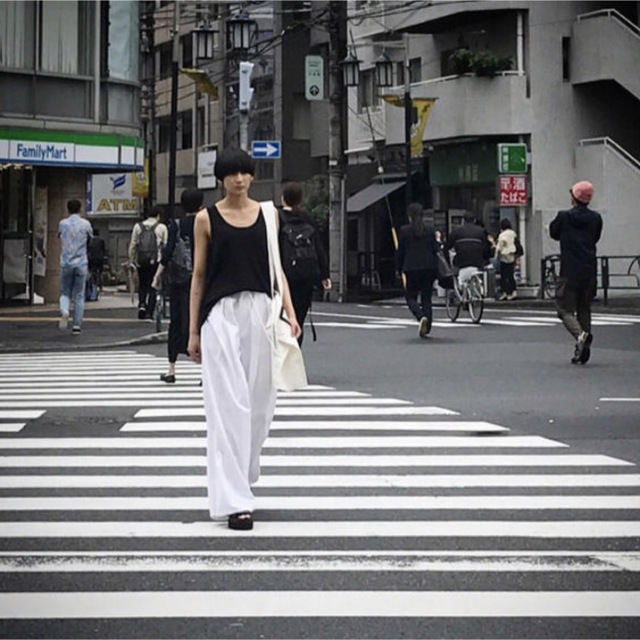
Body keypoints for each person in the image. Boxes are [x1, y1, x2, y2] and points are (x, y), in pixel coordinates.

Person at [187, 149, 301, 531]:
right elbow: (199, 275)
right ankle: (236, 502)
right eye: (232, 173)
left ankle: (244, 473)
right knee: (227, 407)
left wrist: (290, 311)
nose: (239, 179)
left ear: (252, 177)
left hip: (261, 312)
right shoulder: (206, 218)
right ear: (221, 178)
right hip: (220, 316)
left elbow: (277, 267)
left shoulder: (269, 215)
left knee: (259, 405)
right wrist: (192, 330)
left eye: (245, 173)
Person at [549, 180, 603, 365]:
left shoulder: (564, 217)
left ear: (574, 197)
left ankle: (581, 336)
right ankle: (583, 348)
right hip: (589, 269)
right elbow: (595, 237)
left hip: (569, 270)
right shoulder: (596, 218)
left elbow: (553, 233)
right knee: (584, 308)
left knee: (563, 309)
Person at [152, 191, 202, 383]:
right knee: (201, 323)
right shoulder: (204, 222)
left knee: (176, 322)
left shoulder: (177, 225)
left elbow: (168, 252)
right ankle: (204, 372)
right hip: (201, 280)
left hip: (179, 280)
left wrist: (157, 276)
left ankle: (171, 370)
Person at [278, 181, 331, 345]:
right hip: (307, 276)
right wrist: (325, 274)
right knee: (299, 319)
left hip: (285, 276)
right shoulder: (307, 218)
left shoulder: (278, 217)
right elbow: (318, 247)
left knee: (282, 319)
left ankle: (284, 356)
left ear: (283, 198)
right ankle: (296, 352)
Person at [396, 203, 440, 338]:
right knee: (427, 297)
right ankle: (427, 327)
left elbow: (400, 252)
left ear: (410, 216)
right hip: (429, 267)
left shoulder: (404, 230)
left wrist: (398, 268)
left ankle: (421, 317)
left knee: (410, 296)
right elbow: (436, 250)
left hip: (412, 268)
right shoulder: (430, 230)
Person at [58, 199, 93, 334]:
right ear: (80, 209)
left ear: (68, 209)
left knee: (65, 292)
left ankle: (65, 310)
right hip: (81, 262)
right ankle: (77, 326)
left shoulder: (63, 224)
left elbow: (59, 236)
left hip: (66, 262)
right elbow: (90, 240)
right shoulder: (86, 224)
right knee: (79, 295)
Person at [129, 206, 168, 320]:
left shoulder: (138, 226)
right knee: (153, 285)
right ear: (158, 216)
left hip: (141, 260)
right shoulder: (161, 227)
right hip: (156, 261)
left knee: (142, 283)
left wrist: (131, 260)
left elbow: (133, 244)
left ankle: (142, 305)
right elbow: (165, 245)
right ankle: (150, 311)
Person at [444, 211, 493, 287]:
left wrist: (448, 264)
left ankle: (456, 290)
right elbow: (487, 249)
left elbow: (446, 248)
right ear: (474, 220)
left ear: (463, 220)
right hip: (477, 263)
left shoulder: (456, 232)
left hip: (460, 262)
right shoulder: (482, 232)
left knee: (454, 276)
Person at [496, 218, 518, 300]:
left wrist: (496, 251)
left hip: (504, 256)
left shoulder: (502, 235)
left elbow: (500, 246)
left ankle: (504, 292)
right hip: (512, 255)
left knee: (504, 275)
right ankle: (513, 292)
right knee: (510, 275)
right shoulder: (513, 233)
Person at [86, 229, 107, 301]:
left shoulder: (90, 241)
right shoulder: (101, 241)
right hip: (99, 259)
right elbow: (103, 250)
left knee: (91, 273)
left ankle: (91, 290)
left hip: (91, 259)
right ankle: (100, 286)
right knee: (99, 273)